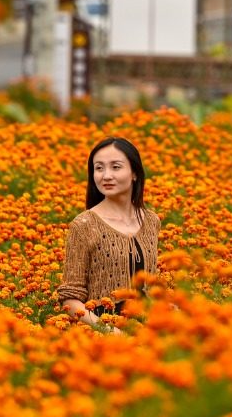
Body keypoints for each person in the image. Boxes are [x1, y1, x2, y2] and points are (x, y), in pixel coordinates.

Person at [58, 137, 160, 331]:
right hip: (103, 329)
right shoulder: (84, 225)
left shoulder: (151, 221)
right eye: (99, 168)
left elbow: (152, 284)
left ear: (135, 173)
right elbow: (70, 298)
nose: (106, 176)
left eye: (115, 167)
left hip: (149, 328)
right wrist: (110, 331)